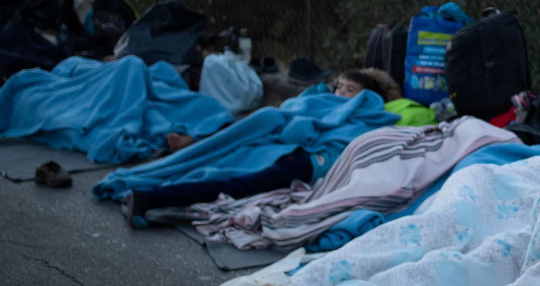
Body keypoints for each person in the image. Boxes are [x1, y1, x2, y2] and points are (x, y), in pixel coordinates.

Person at [126, 69, 402, 228]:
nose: (340, 94)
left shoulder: (370, 114)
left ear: (368, 97)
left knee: (241, 183)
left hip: (307, 158)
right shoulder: (319, 98)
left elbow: (347, 139)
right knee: (224, 156)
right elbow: (291, 115)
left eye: (349, 90)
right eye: (339, 86)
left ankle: (151, 198)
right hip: (279, 143)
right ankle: (157, 186)